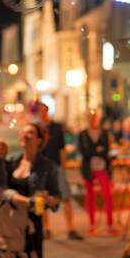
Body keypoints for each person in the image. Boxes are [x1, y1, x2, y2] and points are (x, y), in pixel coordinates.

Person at [0, 123, 60, 258]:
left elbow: (56, 200)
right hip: (9, 222)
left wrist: (49, 199)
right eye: (22, 132)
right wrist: (21, 199)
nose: (25, 135)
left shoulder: (47, 165)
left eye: (30, 132)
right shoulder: (12, 161)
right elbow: (1, 190)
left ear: (39, 140)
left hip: (31, 226)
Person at [38, 103, 82, 241]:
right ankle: (46, 229)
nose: (43, 114)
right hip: (43, 168)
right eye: (40, 111)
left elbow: (61, 148)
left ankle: (71, 228)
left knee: (65, 197)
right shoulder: (37, 129)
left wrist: (63, 166)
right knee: (43, 199)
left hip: (57, 167)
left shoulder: (56, 128)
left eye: (45, 111)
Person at [78, 110, 118, 236]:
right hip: (88, 168)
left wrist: (94, 150)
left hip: (102, 167)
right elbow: (84, 151)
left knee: (108, 195)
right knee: (90, 197)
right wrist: (97, 150)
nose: (93, 119)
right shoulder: (83, 134)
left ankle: (110, 224)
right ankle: (92, 224)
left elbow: (106, 150)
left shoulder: (104, 133)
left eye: (95, 117)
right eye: (91, 117)